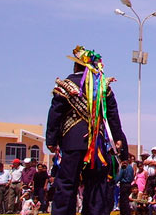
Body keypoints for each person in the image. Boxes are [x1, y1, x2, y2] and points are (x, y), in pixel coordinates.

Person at [45, 46, 128, 215]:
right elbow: (112, 113)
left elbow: (55, 113)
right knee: (96, 184)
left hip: (72, 141)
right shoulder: (103, 86)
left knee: (67, 183)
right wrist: (118, 137)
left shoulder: (66, 85)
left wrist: (52, 140)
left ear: (76, 66)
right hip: (96, 143)